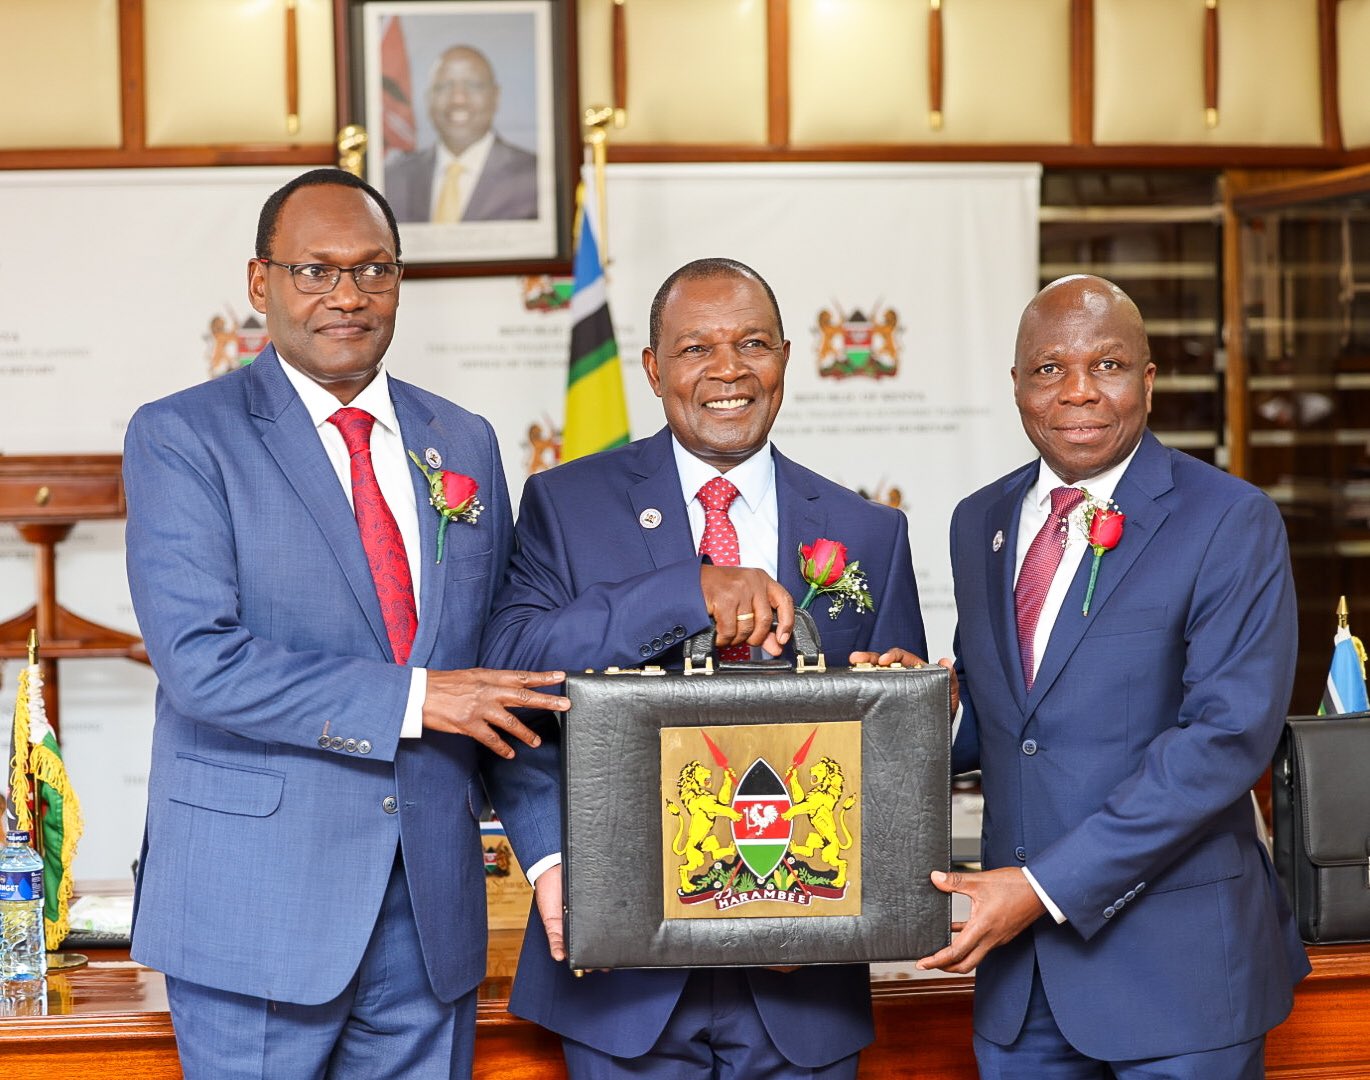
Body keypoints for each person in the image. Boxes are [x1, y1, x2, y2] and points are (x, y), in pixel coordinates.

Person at [123, 168, 567, 1079]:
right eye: (315, 271)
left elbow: (496, 677)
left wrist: (552, 853)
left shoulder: (464, 441)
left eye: (374, 270)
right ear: (261, 283)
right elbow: (201, 663)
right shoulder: (183, 436)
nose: (348, 296)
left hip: (432, 917)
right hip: (258, 915)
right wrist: (415, 697)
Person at [480, 257, 931, 1079]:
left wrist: (911, 703)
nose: (728, 370)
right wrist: (684, 592)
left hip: (805, 979)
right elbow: (512, 671)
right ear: (653, 370)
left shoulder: (869, 533)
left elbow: (895, 762)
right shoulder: (565, 504)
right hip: (619, 971)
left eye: (752, 343)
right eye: (696, 349)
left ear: (787, 357)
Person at [918, 274, 1310, 1077]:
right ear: (1019, 385)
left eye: (1107, 365)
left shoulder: (1230, 520)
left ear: (1148, 380)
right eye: (1050, 369)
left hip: (1180, 979)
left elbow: (1225, 741)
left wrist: (1039, 886)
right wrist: (911, 708)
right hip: (1019, 985)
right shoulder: (978, 521)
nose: (1078, 392)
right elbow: (1010, 721)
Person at [385, 44, 537, 224]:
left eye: (473, 85)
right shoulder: (393, 178)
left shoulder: (535, 176)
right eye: (444, 87)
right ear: (428, 99)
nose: (458, 99)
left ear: (496, 96)